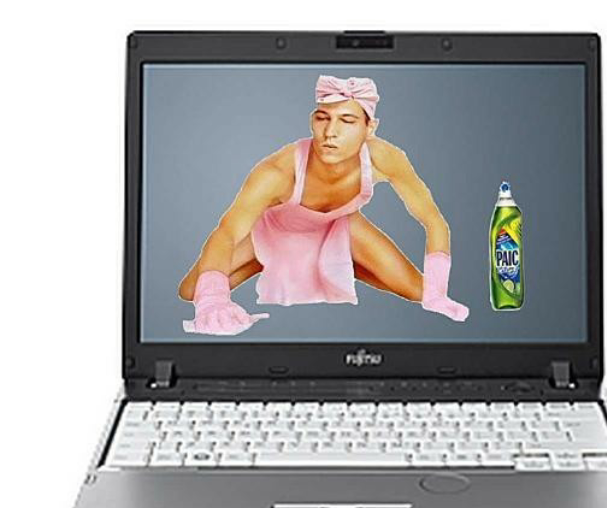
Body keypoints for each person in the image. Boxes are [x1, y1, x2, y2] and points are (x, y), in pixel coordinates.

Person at [179, 74, 469, 335]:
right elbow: (227, 232)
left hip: (338, 228)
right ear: (312, 121)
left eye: (347, 121)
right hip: (271, 233)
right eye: (323, 118)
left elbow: (433, 220)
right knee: (192, 291)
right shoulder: (277, 172)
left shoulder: (385, 158)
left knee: (423, 293)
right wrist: (214, 299)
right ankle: (271, 260)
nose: (330, 132)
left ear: (370, 128)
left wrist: (439, 286)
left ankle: (334, 262)